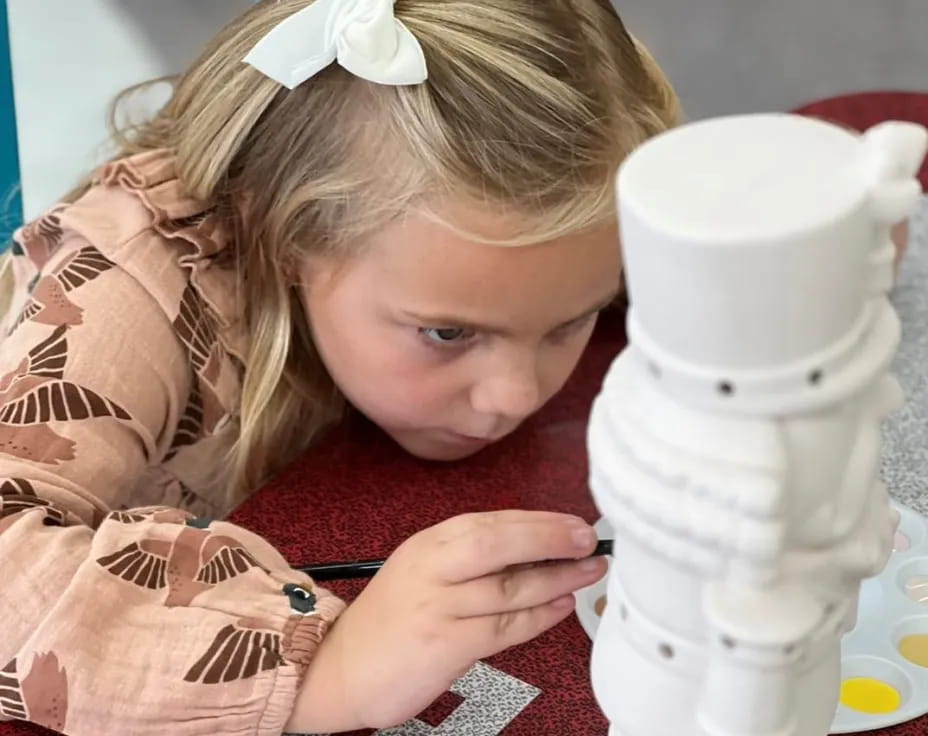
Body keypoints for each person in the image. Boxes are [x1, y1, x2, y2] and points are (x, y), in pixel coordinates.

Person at [0, 0, 680, 733]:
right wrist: (327, 669)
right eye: (448, 332)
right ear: (282, 237)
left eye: (570, 318)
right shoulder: (126, 291)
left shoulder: (537, 234)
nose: (514, 396)